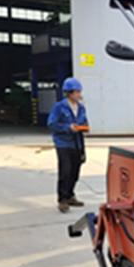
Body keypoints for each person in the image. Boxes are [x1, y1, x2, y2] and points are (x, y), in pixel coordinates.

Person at [48, 77, 88, 213]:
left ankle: (70, 195)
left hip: (77, 143)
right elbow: (52, 124)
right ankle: (62, 199)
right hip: (63, 143)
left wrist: (84, 127)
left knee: (75, 171)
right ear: (69, 93)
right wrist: (68, 127)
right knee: (65, 171)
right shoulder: (59, 107)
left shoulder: (81, 108)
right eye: (77, 92)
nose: (79, 94)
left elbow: (84, 122)